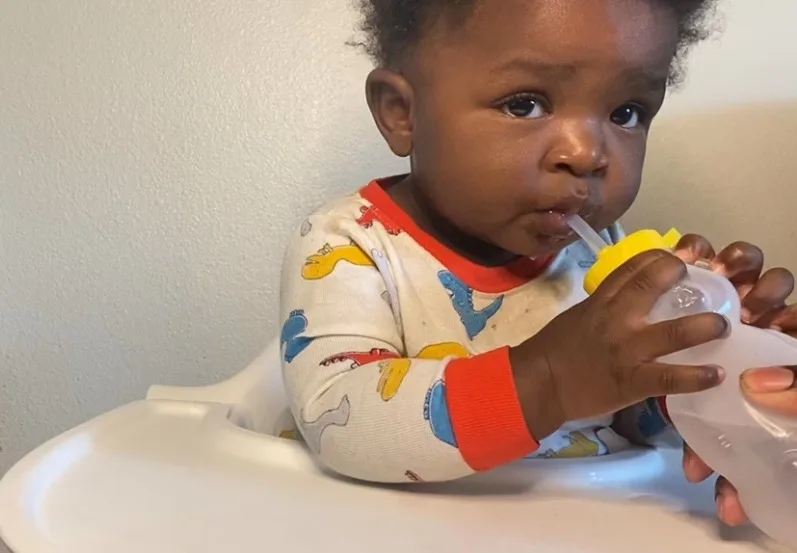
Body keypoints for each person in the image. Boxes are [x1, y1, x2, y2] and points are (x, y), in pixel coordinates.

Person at [279, 0, 796, 489]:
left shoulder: (602, 258)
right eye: (525, 104)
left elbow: (631, 423)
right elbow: (339, 423)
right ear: (401, 112)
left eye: (627, 113)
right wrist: (549, 378)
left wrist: (705, 365)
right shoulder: (351, 244)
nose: (587, 153)